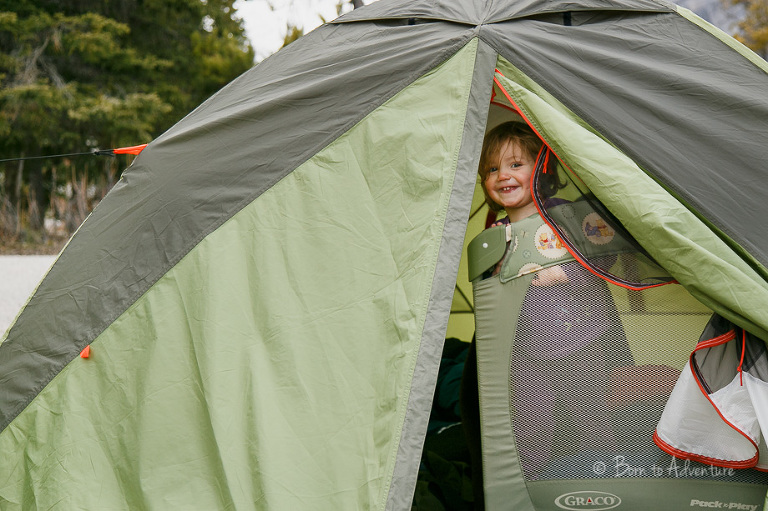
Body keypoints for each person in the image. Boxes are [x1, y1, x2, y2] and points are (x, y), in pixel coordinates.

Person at [463, 121, 632, 487]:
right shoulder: (495, 234)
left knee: (592, 420)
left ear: (541, 169)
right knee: (528, 428)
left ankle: (605, 488)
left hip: (583, 340)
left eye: (515, 165)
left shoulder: (565, 215)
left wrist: (566, 274)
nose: (502, 175)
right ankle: (525, 492)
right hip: (524, 350)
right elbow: (490, 292)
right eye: (492, 169)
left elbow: (604, 259)